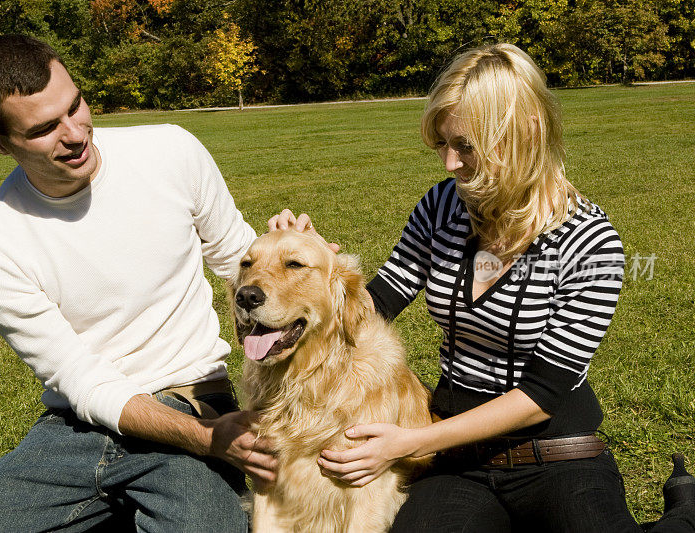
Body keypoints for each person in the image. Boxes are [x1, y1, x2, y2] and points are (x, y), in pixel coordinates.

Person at [270, 43, 695, 531]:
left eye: (465, 146)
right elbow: (378, 302)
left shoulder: (592, 243)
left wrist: (410, 444)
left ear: (526, 134)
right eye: (443, 146)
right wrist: (314, 263)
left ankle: (684, 508)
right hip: (457, 456)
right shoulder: (441, 206)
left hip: (557, 454)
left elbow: (540, 394)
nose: (449, 163)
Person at [0, 34, 276, 532]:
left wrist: (293, 258)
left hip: (190, 398)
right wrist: (208, 440)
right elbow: (82, 381)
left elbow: (236, 257)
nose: (75, 134)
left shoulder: (170, 150)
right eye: (43, 129)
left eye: (75, 106)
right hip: (77, 426)